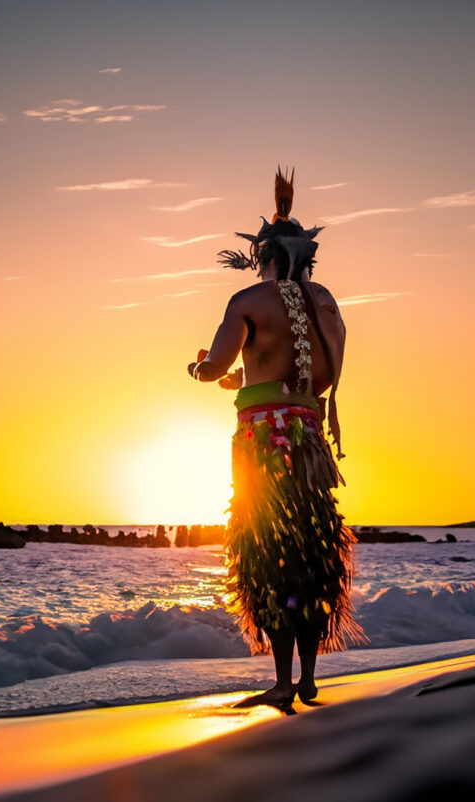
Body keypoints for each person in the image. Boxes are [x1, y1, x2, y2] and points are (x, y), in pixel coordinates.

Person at [187, 168, 363, 710]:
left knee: (268, 556)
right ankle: (307, 678)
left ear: (262, 256)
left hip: (264, 444)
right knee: (310, 555)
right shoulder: (327, 304)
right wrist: (258, 378)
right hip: (308, 443)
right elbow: (317, 378)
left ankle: (283, 683)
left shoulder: (248, 299)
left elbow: (217, 365)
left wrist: (199, 369)